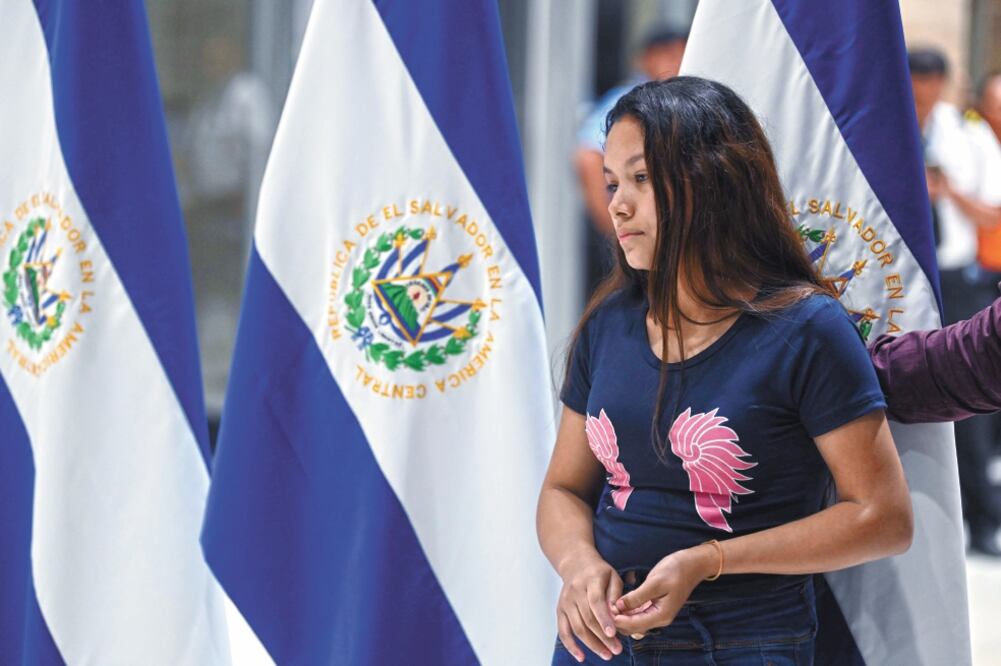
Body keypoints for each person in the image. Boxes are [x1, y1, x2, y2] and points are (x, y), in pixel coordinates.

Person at [537, 78, 913, 665]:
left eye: (640, 178)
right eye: (612, 182)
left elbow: (882, 517)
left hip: (743, 640)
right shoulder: (608, 321)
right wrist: (578, 565)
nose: (617, 204)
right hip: (601, 641)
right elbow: (563, 488)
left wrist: (707, 561)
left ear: (709, 181)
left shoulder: (806, 328)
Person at [910, 48, 1001, 556]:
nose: (924, 99)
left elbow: (992, 213)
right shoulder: (877, 123)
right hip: (904, 276)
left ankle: (984, 521)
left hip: (957, 276)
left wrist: (946, 193)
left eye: (931, 88)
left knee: (971, 403)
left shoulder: (968, 135)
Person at [574, 26, 687, 293]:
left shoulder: (691, 102)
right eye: (668, 54)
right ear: (646, 58)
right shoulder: (627, 103)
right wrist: (616, 228)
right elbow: (587, 158)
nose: (676, 62)